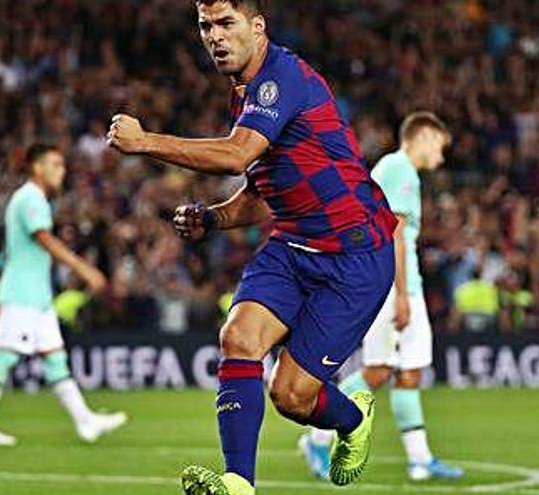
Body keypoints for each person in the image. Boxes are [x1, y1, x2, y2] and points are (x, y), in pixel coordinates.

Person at [107, 1, 397, 493]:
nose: (214, 36)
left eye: (226, 23)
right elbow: (267, 192)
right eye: (205, 26)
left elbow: (237, 155)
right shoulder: (246, 94)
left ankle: (351, 419)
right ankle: (239, 484)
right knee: (237, 339)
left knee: (291, 396)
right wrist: (215, 218)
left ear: (257, 27)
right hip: (292, 244)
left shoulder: (279, 79)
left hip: (354, 254)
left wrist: (145, 142)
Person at [298, 112, 465, 482]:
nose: (441, 157)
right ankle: (318, 438)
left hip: (403, 284)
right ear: (422, 137)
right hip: (390, 284)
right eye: (439, 146)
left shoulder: (398, 171)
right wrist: (401, 294)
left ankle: (420, 460)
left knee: (408, 373)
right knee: (378, 370)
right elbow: (394, 235)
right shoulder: (398, 168)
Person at [0, 144, 127, 446]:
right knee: (4, 356)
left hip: (36, 296)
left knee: (55, 360)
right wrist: (84, 269)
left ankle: (85, 421)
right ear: (37, 167)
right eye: (55, 164)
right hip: (23, 294)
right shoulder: (30, 198)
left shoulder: (31, 199)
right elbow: (44, 239)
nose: (61, 170)